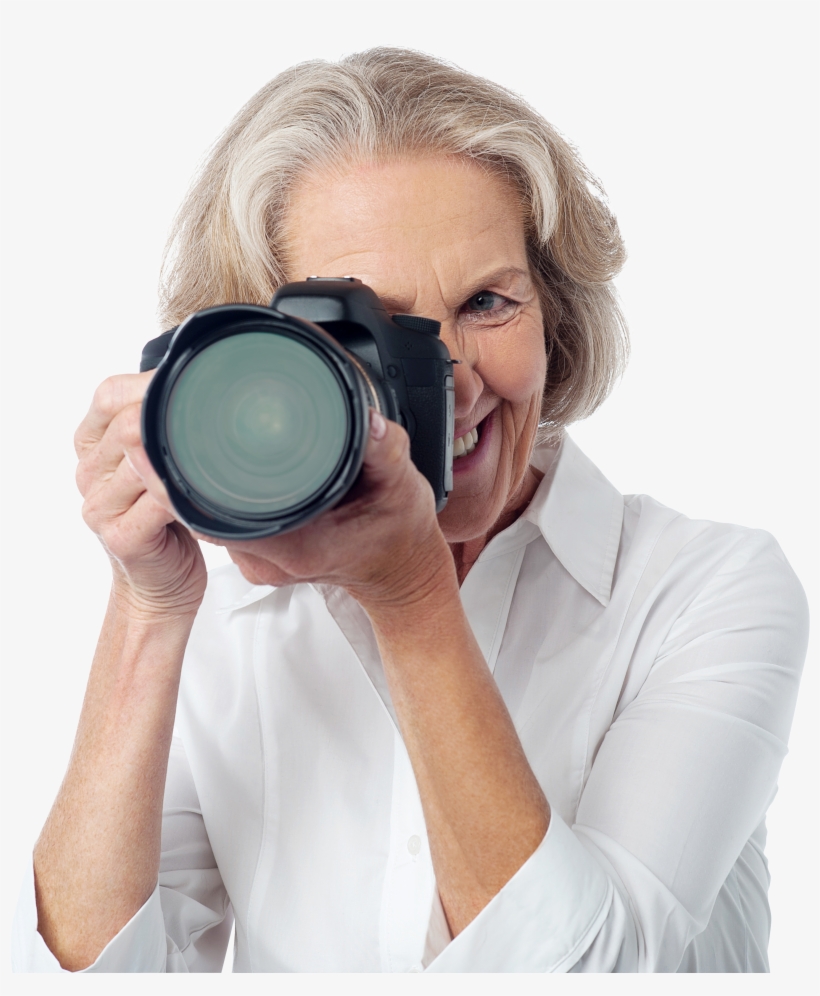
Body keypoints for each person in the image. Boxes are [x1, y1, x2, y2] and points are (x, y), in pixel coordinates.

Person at [13, 48, 808, 974]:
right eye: (374, 328)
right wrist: (148, 608)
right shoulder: (230, 626)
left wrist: (411, 595)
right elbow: (84, 984)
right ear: (265, 354)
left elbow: (596, 976)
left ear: (558, 320)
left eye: (487, 302)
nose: (454, 381)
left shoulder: (705, 590)